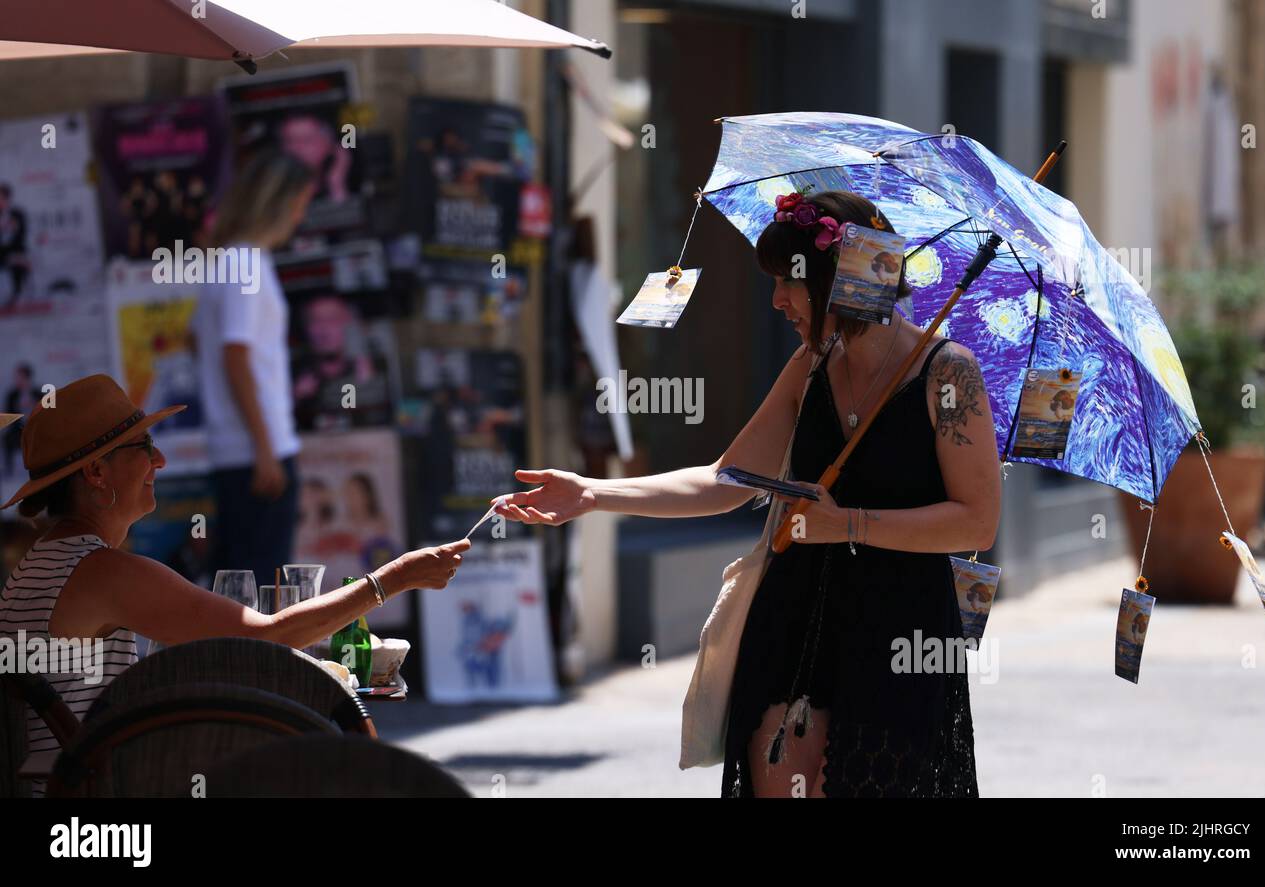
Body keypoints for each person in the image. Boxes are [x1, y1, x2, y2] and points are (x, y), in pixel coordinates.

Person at [493, 190, 1000, 798]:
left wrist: (851, 525)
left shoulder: (948, 373)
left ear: (838, 279)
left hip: (899, 635)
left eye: (790, 281)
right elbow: (726, 480)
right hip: (793, 613)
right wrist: (594, 493)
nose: (778, 299)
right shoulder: (809, 366)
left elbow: (976, 522)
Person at [0, 374, 469, 796]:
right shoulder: (102, 571)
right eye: (142, 446)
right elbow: (266, 637)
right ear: (97, 472)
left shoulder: (40, 564)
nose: (159, 459)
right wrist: (393, 578)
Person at [193, 150, 311, 587]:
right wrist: (263, 445)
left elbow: (202, 344)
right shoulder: (244, 263)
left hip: (238, 447)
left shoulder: (230, 261)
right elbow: (235, 354)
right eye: (300, 201)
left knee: (236, 587)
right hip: (254, 450)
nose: (302, 213)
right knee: (260, 593)